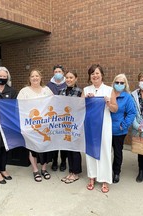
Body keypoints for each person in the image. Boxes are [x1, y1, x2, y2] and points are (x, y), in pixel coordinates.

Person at [82, 64, 118, 193]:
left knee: (105, 151)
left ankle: (104, 179)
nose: (95, 76)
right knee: (90, 151)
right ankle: (92, 177)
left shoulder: (109, 90)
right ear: (90, 76)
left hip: (104, 126)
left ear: (102, 75)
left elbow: (115, 109)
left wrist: (108, 102)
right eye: (92, 74)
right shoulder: (86, 90)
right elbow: (79, 107)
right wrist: (85, 99)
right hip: (90, 126)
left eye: (97, 73)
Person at [17, 69, 54, 182]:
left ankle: (43, 169)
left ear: (40, 77)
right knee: (32, 148)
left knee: (45, 148)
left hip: (45, 125)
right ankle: (35, 170)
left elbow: (54, 102)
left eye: (37, 76)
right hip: (31, 125)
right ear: (29, 78)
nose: (35, 78)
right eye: (32, 76)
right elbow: (18, 106)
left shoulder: (46, 90)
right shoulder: (24, 91)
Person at [110, 74, 136, 184]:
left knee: (117, 152)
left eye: (122, 83)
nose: (119, 84)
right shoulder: (108, 93)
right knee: (105, 152)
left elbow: (131, 113)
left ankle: (116, 172)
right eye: (117, 82)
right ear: (113, 83)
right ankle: (105, 172)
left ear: (125, 84)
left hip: (119, 130)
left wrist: (123, 125)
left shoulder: (127, 97)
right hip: (105, 129)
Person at [58, 71, 83, 184]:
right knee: (68, 148)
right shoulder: (61, 91)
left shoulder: (79, 91)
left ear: (76, 79)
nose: (68, 79)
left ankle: (76, 173)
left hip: (75, 124)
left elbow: (80, 107)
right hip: (64, 124)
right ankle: (70, 171)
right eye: (67, 77)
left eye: (71, 77)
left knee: (75, 149)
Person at [47, 64, 68, 172]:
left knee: (63, 140)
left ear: (63, 73)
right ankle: (54, 161)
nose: (57, 73)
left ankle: (63, 161)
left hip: (64, 117)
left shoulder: (67, 82)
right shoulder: (49, 85)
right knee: (54, 140)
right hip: (53, 117)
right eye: (55, 72)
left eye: (59, 71)